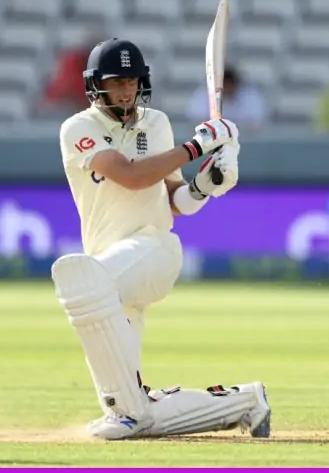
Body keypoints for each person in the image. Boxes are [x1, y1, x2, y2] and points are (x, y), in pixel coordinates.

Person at [53, 38, 272, 440]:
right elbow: (131, 176)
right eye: (116, 82)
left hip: (153, 250)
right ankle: (245, 402)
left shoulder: (155, 123)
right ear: (95, 85)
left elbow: (175, 201)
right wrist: (195, 149)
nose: (126, 90)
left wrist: (205, 187)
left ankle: (130, 415)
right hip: (113, 270)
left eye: (132, 81)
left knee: (80, 281)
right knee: (130, 404)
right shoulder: (78, 128)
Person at [186, 65, 267, 133]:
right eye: (224, 85)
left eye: (229, 85)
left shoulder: (250, 97)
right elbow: (197, 124)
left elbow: (256, 126)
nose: (227, 89)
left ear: (235, 84)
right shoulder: (202, 96)